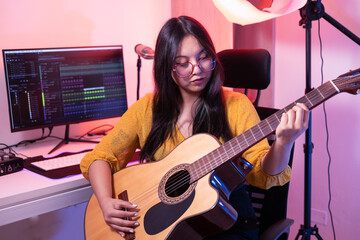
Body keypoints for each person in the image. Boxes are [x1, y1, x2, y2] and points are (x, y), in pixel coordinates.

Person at [80, 15, 309, 240]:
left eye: (204, 58)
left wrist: (283, 142)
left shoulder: (236, 106)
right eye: (183, 64)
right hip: (173, 229)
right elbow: (100, 157)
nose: (197, 69)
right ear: (167, 68)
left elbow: (263, 175)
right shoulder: (147, 109)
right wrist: (106, 202)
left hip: (226, 225)